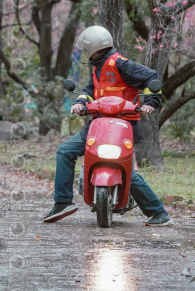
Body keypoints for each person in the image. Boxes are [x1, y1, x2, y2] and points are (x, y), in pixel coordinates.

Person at [42, 25, 173, 226]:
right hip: (99, 125)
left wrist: (151, 102)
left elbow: (151, 77)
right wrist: (80, 103)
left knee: (127, 169)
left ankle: (158, 213)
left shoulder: (121, 64)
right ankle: (63, 202)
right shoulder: (98, 69)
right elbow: (88, 91)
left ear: (90, 48)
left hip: (122, 127)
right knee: (65, 151)